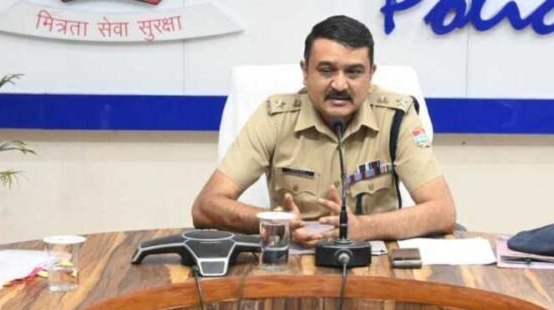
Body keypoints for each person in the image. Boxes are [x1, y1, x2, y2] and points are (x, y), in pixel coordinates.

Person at [192, 15, 456, 245]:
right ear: (305, 71)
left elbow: (442, 211)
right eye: (326, 70)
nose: (339, 84)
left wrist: (365, 228)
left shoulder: (397, 116)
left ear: (371, 74)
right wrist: (275, 222)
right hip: (294, 259)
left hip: (372, 259)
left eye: (354, 72)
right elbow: (206, 206)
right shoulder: (275, 118)